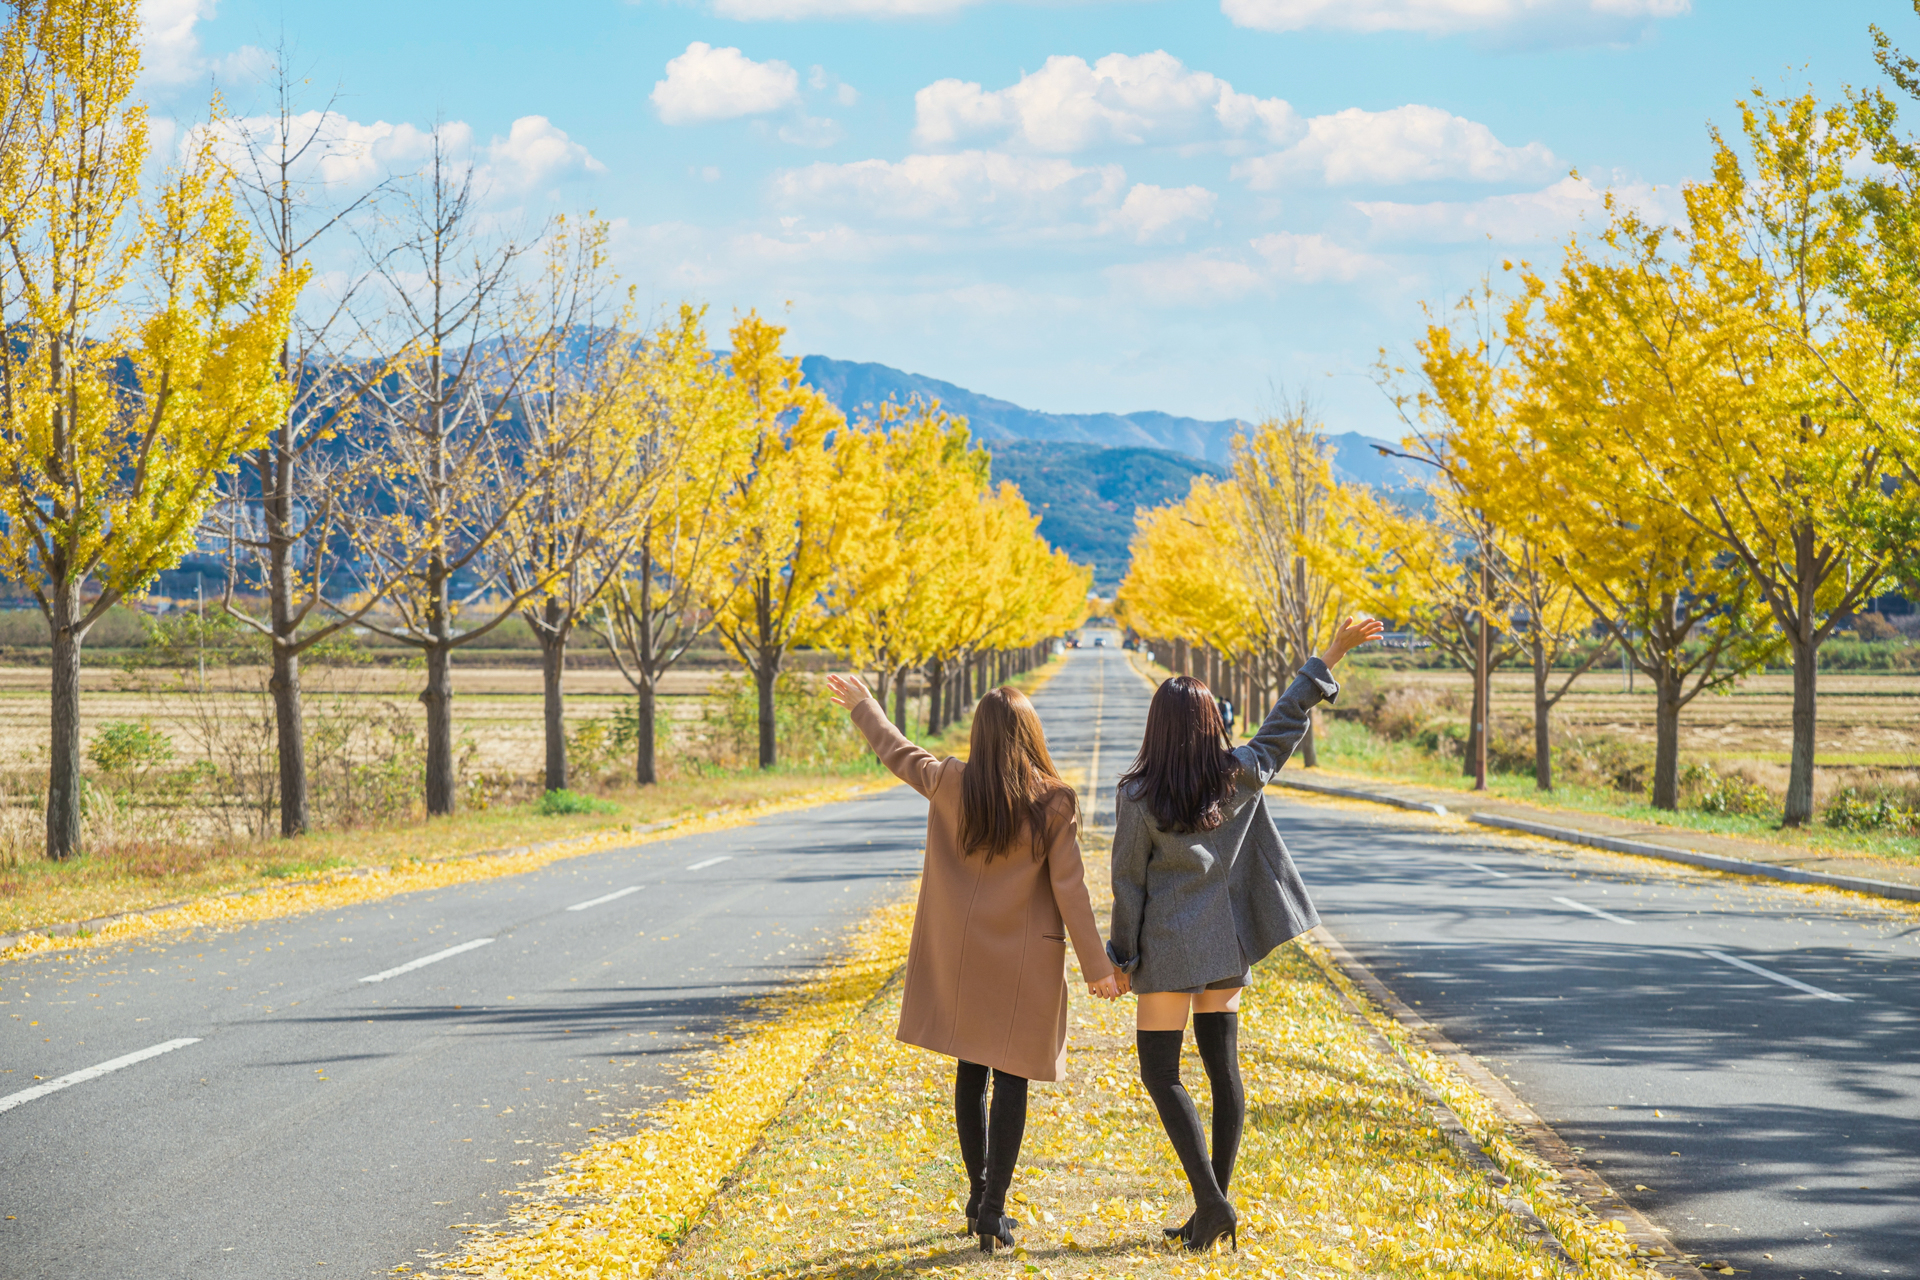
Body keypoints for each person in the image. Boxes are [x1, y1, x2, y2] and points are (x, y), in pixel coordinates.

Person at [1106, 615, 1384, 1253]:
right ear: (1212, 725)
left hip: (1170, 952)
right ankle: (1215, 1205)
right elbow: (1286, 720)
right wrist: (1328, 656)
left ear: (1157, 728)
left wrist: (1122, 957)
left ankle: (1210, 1204)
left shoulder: (1137, 794)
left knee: (1160, 1072)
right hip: (1226, 946)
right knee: (1222, 1071)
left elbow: (1129, 885)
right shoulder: (1243, 771)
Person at [825, 673, 1121, 1255]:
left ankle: (976, 1194)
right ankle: (993, 1211)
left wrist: (866, 707)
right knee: (1012, 1081)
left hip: (963, 959)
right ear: (1030, 733)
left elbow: (900, 754)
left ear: (981, 735)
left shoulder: (952, 781)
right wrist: (1097, 967)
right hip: (1024, 963)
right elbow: (1072, 890)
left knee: (971, 1073)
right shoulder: (1054, 801)